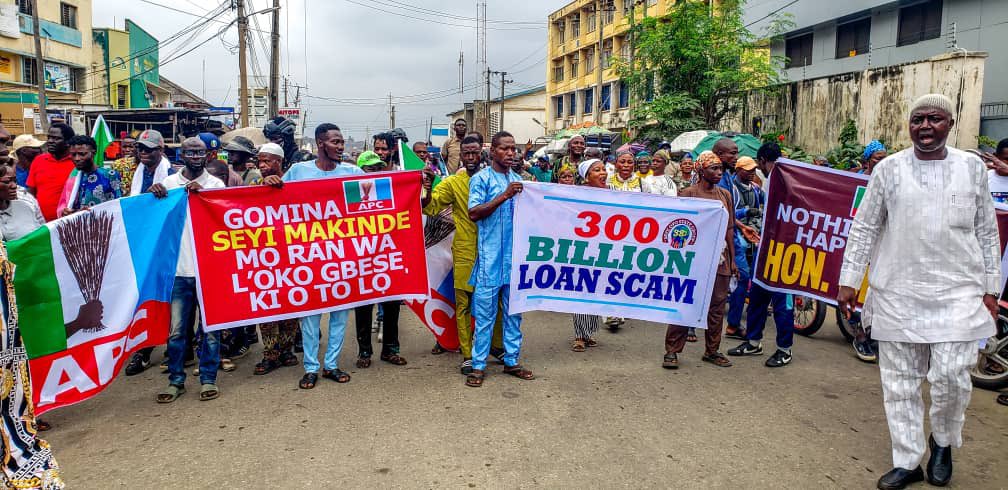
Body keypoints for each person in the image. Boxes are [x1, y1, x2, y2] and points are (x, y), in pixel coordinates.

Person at [838, 94, 999, 490]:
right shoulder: (889, 170)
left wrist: (991, 288)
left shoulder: (972, 168)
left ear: (950, 123)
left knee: (951, 378)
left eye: (935, 118)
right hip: (898, 291)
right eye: (918, 119)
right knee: (899, 382)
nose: (925, 126)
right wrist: (849, 278)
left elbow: (986, 231)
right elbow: (865, 227)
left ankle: (942, 442)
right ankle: (907, 460)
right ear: (909, 125)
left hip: (959, 292)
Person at [282, 123, 363, 389]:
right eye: (335, 142)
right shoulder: (298, 172)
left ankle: (331, 365)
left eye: (341, 142)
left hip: (342, 256)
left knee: (340, 314)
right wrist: (269, 183)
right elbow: (274, 202)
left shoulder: (352, 173)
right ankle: (310, 367)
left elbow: (368, 205)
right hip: (309, 256)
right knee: (310, 316)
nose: (341, 147)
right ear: (320, 143)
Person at [149, 137, 226, 403]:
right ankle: (176, 380)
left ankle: (208, 378)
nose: (195, 157)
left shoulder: (215, 185)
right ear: (181, 155)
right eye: (190, 152)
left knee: (211, 330)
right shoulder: (169, 184)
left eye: (200, 152)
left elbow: (225, 220)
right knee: (177, 332)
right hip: (178, 271)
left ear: (208, 155)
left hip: (208, 271)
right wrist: (153, 196)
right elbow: (153, 219)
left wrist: (205, 197)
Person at [422, 135, 506, 373]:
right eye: (466, 153)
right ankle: (467, 353)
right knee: (464, 304)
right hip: (465, 250)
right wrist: (427, 190)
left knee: (497, 300)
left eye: (474, 153)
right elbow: (431, 207)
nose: (470, 157)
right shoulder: (452, 184)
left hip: (493, 250)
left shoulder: (494, 179)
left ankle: (496, 345)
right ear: (460, 155)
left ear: (482, 154)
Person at [465, 131, 534, 387]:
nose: (510, 153)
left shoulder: (519, 181)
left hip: (514, 261)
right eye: (505, 148)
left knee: (514, 314)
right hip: (489, 261)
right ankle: (478, 365)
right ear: (492, 151)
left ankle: (512, 360)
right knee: (485, 316)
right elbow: (474, 213)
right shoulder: (481, 179)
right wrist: (504, 195)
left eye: (513, 149)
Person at [663, 151, 736, 369]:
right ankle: (672, 351)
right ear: (701, 170)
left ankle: (712, 350)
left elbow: (729, 229)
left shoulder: (725, 195)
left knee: (717, 306)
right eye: (714, 168)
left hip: (720, 258)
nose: (719, 172)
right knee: (685, 303)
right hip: (693, 259)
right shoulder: (689, 193)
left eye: (720, 168)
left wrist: (732, 260)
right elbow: (678, 226)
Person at [726, 157, 794, 367]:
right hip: (762, 250)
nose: (752, 172)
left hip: (785, 254)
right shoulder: (762, 187)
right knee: (757, 298)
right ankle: (753, 342)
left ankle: (784, 349)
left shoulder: (790, 190)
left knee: (783, 306)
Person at [239, 142, 300, 375]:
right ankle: (270, 353)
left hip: (291, 255)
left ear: (279, 162)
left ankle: (286, 350)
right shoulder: (254, 185)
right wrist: (262, 188)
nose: (262, 165)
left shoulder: (293, 182)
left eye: (267, 161)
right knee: (267, 307)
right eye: (260, 161)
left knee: (291, 304)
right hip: (264, 257)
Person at [123, 130, 181, 376]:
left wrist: (164, 193)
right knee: (145, 297)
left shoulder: (172, 175)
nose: (143, 152)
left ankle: (172, 348)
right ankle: (144, 349)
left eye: (149, 148)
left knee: (169, 299)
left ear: (161, 150)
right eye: (140, 148)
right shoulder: (135, 173)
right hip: (142, 243)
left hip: (167, 246)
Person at [350, 150, 408, 369]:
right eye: (370, 169)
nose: (374, 172)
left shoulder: (387, 188)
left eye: (378, 168)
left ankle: (391, 349)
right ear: (359, 170)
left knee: (392, 306)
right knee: (363, 308)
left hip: (386, 257)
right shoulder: (350, 191)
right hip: (361, 260)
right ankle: (364, 351)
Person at [848, 139, 887, 363]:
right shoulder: (857, 182)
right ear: (867, 161)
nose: (882, 163)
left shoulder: (891, 181)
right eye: (878, 159)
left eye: (885, 159)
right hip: (860, 245)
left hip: (883, 245)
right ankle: (860, 336)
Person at [570, 158, 608, 352]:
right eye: (597, 170)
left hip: (604, 248)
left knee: (595, 289)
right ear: (586, 177)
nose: (603, 173)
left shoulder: (613, 194)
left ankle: (588, 333)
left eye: (604, 169)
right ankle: (579, 335)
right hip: (582, 247)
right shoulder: (577, 194)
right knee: (580, 289)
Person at [724, 156, 765, 337]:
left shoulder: (755, 188)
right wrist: (746, 211)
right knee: (742, 275)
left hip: (752, 231)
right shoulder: (730, 188)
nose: (751, 173)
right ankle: (732, 323)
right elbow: (729, 213)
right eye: (748, 170)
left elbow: (765, 204)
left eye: (753, 170)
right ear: (738, 170)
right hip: (735, 233)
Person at [56, 136, 122, 217]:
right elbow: (66, 206)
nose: (77, 158)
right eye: (73, 154)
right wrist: (67, 212)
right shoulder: (74, 179)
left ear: (93, 153)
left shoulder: (110, 175)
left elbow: (117, 207)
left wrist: (90, 213)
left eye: (82, 154)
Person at [26, 123, 75, 221]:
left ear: (68, 142)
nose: (50, 141)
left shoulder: (77, 163)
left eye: (56, 138)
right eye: (49, 137)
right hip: (40, 223)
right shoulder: (39, 160)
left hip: (68, 222)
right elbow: (31, 192)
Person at [0, 165, 44, 241]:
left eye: (15, 181)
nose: (14, 186)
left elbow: (41, 235)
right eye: (7, 182)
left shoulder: (25, 206)